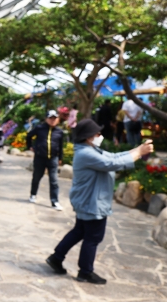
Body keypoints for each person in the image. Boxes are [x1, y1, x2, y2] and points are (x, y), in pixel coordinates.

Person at [45, 119, 153, 284]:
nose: (100, 136)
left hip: (87, 201)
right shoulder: (86, 153)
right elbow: (113, 163)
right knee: (93, 237)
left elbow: (115, 156)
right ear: (88, 137)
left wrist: (138, 149)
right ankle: (85, 272)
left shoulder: (90, 149)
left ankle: (56, 257)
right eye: (97, 133)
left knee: (79, 231)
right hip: (92, 203)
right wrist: (139, 153)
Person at [26, 110, 64, 211]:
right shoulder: (39, 128)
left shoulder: (59, 132)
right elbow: (29, 136)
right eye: (50, 118)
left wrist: (60, 158)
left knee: (54, 180)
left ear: (57, 119)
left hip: (53, 158)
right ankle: (33, 194)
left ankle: (55, 201)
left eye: (54, 118)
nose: (52, 120)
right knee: (36, 177)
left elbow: (61, 146)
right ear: (46, 119)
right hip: (40, 158)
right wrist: (30, 146)